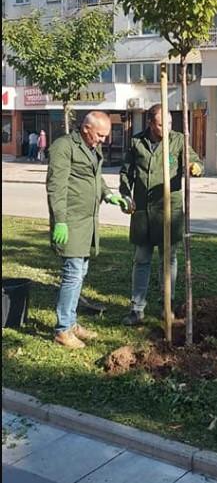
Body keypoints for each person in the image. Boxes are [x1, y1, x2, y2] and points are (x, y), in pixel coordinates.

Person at [47, 111, 127, 349]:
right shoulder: (63, 147)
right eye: (100, 135)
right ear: (86, 129)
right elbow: (56, 186)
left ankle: (71, 323)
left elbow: (95, 177)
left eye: (105, 135)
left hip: (88, 221)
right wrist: (59, 220)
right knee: (72, 273)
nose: (103, 139)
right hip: (70, 222)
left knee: (80, 271)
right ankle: (62, 329)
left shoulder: (92, 147)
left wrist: (109, 195)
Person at [119, 104, 203, 326]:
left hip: (168, 211)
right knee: (142, 259)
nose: (166, 127)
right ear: (150, 123)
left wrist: (195, 167)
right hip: (143, 212)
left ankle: (168, 306)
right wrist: (126, 197)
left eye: (169, 123)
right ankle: (137, 309)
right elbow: (126, 174)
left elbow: (194, 161)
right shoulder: (137, 142)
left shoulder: (178, 140)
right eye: (160, 124)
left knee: (168, 260)